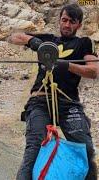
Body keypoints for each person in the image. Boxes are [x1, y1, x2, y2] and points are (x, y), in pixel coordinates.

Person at [8, 3, 98, 180]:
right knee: (34, 147)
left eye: (72, 22)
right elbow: (13, 37)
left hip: (68, 103)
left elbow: (93, 71)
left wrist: (66, 65)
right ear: (59, 20)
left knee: (85, 148)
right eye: (64, 20)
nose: (66, 25)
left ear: (79, 24)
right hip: (40, 101)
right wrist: (33, 42)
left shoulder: (84, 43)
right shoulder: (49, 39)